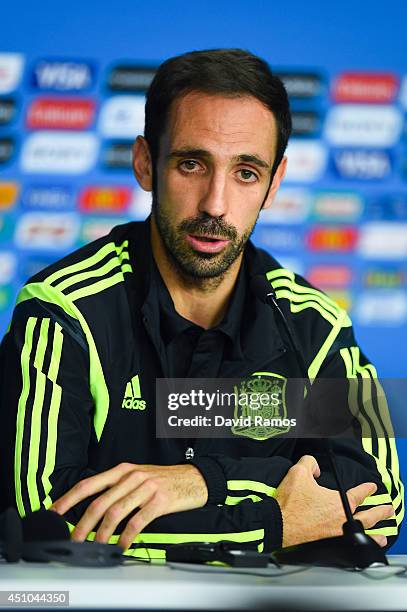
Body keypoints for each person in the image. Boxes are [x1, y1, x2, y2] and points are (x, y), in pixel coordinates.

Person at [0, 49, 402, 560]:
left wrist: (201, 481)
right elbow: (47, 521)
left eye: (246, 173)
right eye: (192, 164)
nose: (215, 203)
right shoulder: (65, 313)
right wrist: (270, 522)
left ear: (274, 184)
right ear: (145, 163)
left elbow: (375, 503)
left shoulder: (312, 327)